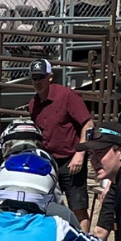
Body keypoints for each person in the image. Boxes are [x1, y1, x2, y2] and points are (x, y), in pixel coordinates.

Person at [28, 58, 92, 223]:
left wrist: (80, 153)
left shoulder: (67, 96)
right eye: (34, 78)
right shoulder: (33, 104)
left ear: (50, 77)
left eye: (41, 77)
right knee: (45, 205)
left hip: (71, 159)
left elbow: (88, 124)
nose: (37, 82)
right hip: (48, 162)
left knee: (78, 206)